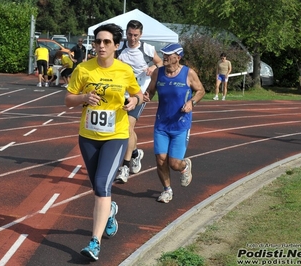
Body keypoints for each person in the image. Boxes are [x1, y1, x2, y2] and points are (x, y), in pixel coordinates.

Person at [64, 23, 143, 261]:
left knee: (101, 184)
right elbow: (68, 99)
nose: (100, 45)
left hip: (116, 136)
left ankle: (94, 242)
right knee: (98, 186)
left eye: (106, 42)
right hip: (88, 136)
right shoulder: (84, 69)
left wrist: (134, 101)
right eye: (97, 41)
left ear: (116, 46)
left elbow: (138, 93)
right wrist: (83, 98)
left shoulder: (124, 70)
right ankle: (110, 212)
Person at [144, 43, 205, 203]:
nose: (164, 57)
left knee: (174, 163)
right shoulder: (158, 73)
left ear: (178, 57)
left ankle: (184, 166)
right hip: (161, 125)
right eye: (163, 54)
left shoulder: (188, 73)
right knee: (160, 159)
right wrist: (144, 97)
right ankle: (167, 190)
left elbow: (200, 90)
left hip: (180, 125)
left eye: (168, 54)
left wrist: (192, 102)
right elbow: (150, 91)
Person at [114, 19, 163, 183]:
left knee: (128, 126)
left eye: (135, 35)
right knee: (123, 128)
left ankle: (125, 167)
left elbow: (160, 62)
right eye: (129, 34)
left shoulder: (147, 49)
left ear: (140, 35)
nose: (132, 38)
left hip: (139, 93)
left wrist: (153, 68)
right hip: (121, 93)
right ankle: (135, 153)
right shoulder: (119, 47)